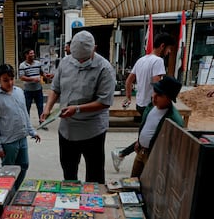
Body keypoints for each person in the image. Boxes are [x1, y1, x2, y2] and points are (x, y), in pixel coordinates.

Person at [40, 30, 115, 184]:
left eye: (84, 59)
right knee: (68, 171)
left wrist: (78, 109)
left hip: (92, 130)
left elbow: (104, 102)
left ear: (94, 48)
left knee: (94, 175)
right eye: (77, 58)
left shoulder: (104, 69)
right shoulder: (66, 62)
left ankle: (92, 204)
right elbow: (55, 88)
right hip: (67, 129)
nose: (80, 62)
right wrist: (47, 108)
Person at [111, 33, 176, 172]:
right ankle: (122, 154)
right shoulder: (158, 61)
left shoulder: (141, 60)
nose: (169, 52)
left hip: (140, 104)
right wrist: (157, 101)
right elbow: (157, 84)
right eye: (169, 49)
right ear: (163, 46)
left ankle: (122, 154)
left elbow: (128, 81)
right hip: (151, 105)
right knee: (152, 136)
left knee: (149, 134)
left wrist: (128, 97)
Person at [0, 63, 41, 190]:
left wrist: (32, 131)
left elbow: (24, 114)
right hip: (8, 142)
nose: (10, 83)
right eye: (5, 80)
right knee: (8, 171)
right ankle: (7, 194)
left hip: (22, 137)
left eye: (12, 79)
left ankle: (15, 189)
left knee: (24, 165)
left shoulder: (19, 92)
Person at [130, 76, 184, 178]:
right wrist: (139, 141)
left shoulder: (174, 119)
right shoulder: (151, 107)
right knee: (133, 181)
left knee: (148, 184)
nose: (154, 96)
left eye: (159, 95)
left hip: (155, 157)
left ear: (169, 98)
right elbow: (146, 125)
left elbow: (174, 146)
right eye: (154, 92)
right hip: (141, 151)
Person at [19, 48, 53, 130]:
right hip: (28, 90)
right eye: (31, 53)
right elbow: (22, 77)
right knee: (27, 107)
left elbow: (41, 73)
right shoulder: (22, 65)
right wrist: (32, 79)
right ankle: (27, 125)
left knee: (40, 107)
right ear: (26, 55)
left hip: (38, 89)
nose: (33, 55)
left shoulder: (38, 63)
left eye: (33, 53)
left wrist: (46, 76)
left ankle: (42, 123)